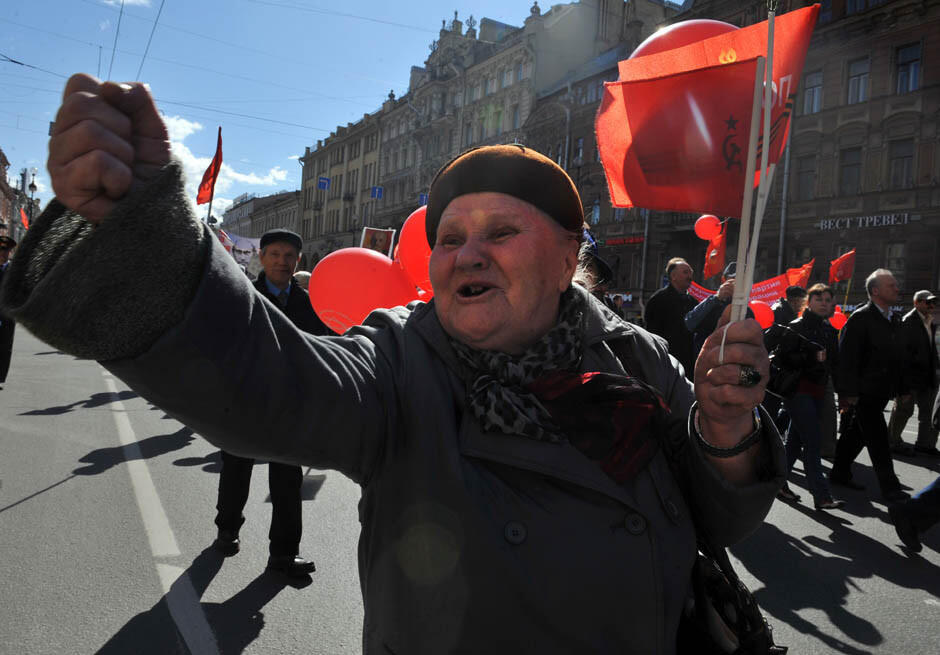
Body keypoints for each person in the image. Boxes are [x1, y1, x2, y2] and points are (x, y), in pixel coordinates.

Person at [4, 75, 785, 653]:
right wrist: (142, 226)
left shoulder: (636, 356)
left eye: (500, 232)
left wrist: (724, 429)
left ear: (567, 257)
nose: (466, 252)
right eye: (450, 237)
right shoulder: (404, 358)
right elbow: (266, 384)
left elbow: (721, 519)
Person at [213, 228, 331, 578]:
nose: (283, 261)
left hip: (291, 404)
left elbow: (324, 343)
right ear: (262, 257)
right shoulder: (242, 295)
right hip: (246, 400)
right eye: (276, 254)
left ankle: (283, 553)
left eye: (290, 256)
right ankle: (227, 528)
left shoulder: (311, 301)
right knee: (236, 468)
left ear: (297, 262)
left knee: (287, 479)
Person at [830, 269, 909, 503]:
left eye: (896, 285)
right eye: (891, 285)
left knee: (856, 434)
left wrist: (902, 388)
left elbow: (896, 358)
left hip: (881, 389)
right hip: (864, 392)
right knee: (878, 438)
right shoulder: (861, 318)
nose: (897, 289)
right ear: (875, 291)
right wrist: (848, 393)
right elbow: (848, 359)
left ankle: (839, 472)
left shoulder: (892, 319)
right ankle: (891, 488)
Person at [770, 284, 844, 510]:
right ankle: (821, 495)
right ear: (808, 302)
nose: (824, 302)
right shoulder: (796, 327)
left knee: (795, 440)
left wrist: (844, 395)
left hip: (818, 391)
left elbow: (834, 364)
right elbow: (782, 359)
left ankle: (778, 483)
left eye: (828, 299)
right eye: (819, 298)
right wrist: (810, 356)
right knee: (813, 441)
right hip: (797, 390)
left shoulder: (830, 331)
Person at [887, 290, 938, 458]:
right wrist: (903, 382)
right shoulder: (908, 321)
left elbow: (930, 350)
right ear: (917, 303)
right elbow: (903, 354)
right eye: (927, 302)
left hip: (927, 376)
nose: (931, 306)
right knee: (903, 409)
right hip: (911, 376)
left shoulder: (929, 321)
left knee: (929, 412)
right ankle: (892, 441)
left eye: (933, 302)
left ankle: (925, 444)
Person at [644, 257, 697, 378]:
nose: (690, 276)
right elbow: (652, 334)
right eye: (685, 272)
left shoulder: (693, 302)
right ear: (673, 276)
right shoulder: (658, 300)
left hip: (688, 364)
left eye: (691, 273)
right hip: (666, 363)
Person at [684, 261, 736, 359]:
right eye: (733, 280)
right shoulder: (712, 303)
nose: (737, 285)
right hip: (708, 365)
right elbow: (689, 323)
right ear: (723, 280)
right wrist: (717, 298)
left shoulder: (747, 310)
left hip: (732, 366)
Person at [0, 235, 16, 386]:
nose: (4, 254)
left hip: (6, 315)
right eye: (2, 250)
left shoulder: (13, 270)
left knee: (5, 346)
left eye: (7, 251)